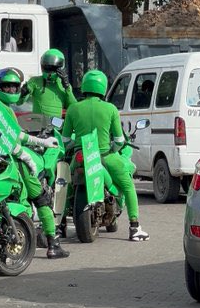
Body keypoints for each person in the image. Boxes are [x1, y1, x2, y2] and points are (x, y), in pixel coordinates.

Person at [0, 68, 70, 259]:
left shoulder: (0, 106)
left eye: (15, 87)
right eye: (7, 86)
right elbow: (6, 140)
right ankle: (53, 244)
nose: (11, 91)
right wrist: (25, 156)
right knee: (40, 198)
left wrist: (41, 142)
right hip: (10, 161)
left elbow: (15, 134)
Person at [61, 69, 149, 242]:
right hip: (106, 157)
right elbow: (118, 139)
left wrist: (75, 145)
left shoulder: (73, 108)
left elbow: (65, 140)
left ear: (85, 86)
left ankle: (59, 226)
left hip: (80, 155)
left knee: (64, 187)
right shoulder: (110, 109)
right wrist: (112, 148)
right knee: (128, 186)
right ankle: (134, 227)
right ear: (103, 87)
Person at [19, 49, 77, 118]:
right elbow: (19, 102)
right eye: (47, 67)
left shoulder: (64, 86)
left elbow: (74, 109)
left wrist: (67, 88)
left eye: (53, 68)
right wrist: (23, 92)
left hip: (56, 125)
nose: (49, 71)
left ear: (61, 69)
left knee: (59, 125)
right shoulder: (35, 81)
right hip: (38, 125)